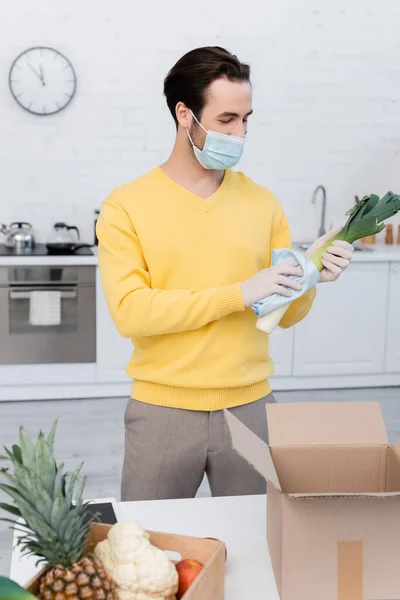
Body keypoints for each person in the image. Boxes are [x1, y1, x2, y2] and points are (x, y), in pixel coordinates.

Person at [96, 46, 353, 501]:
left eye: (246, 119)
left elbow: (284, 315)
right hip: (162, 410)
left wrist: (312, 279)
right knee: (152, 549)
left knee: (259, 544)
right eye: (226, 119)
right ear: (184, 115)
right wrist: (238, 293)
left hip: (252, 409)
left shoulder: (263, 203)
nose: (240, 133)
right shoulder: (126, 205)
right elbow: (131, 313)